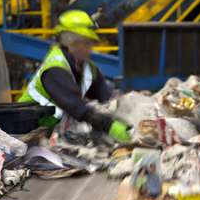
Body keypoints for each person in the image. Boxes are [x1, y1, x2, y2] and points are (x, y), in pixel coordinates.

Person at [18, 10, 131, 142]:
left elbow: (106, 97)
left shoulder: (87, 68)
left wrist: (126, 114)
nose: (91, 48)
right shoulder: (55, 69)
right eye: (87, 43)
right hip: (27, 135)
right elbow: (78, 108)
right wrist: (111, 126)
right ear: (71, 41)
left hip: (52, 133)